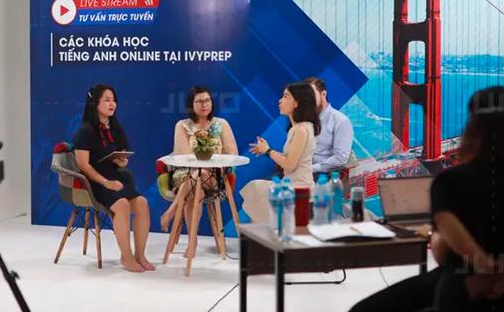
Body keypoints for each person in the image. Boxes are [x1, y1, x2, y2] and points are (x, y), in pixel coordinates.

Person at [431, 86, 504, 311]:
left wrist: (489, 274)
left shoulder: (449, 181)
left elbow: (442, 253)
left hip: (465, 295)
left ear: (473, 127)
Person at [73, 84, 155, 273]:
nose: (112, 104)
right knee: (122, 205)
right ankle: (126, 257)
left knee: (142, 203)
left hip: (115, 178)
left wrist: (121, 161)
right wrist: (106, 182)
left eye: (114, 100)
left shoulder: (115, 128)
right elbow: (83, 165)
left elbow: (121, 157)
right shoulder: (84, 131)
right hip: (95, 182)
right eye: (107, 100)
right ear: (95, 103)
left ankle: (140, 255)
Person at [159, 86, 238, 253]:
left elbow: (233, 154)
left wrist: (212, 163)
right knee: (196, 189)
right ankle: (192, 241)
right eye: (199, 101)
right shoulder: (182, 125)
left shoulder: (221, 124)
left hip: (214, 176)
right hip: (185, 175)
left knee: (202, 175)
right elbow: (183, 155)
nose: (204, 104)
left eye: (207, 100)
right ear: (191, 104)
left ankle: (172, 211)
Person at [241, 82, 320, 223]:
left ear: (297, 103)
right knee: (256, 191)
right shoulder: (300, 128)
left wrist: (268, 151)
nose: (280, 100)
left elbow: (290, 164)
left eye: (285, 96)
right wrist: (266, 150)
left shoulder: (301, 130)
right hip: (293, 184)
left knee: (255, 189)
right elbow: (291, 158)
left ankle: (260, 235)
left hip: (298, 188)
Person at [302, 77, 355, 179]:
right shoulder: (305, 120)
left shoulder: (340, 121)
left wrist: (311, 169)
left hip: (324, 175)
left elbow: (340, 158)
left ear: (323, 94)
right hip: (303, 170)